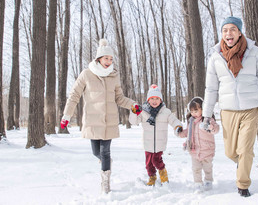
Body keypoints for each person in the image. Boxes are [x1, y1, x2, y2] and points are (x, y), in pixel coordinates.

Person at [201, 16, 258, 197]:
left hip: (251, 108)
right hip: (227, 110)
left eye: (233, 29)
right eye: (225, 30)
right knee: (230, 152)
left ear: (240, 32)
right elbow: (211, 88)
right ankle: (243, 162)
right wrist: (206, 115)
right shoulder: (215, 57)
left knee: (245, 149)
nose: (229, 33)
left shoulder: (255, 52)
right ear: (222, 33)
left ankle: (243, 185)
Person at [60, 38, 141, 194]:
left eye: (111, 59)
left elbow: (119, 98)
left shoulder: (114, 76)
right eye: (106, 58)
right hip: (92, 120)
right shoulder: (86, 74)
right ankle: (106, 163)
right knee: (95, 152)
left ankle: (105, 182)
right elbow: (74, 95)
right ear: (98, 59)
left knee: (105, 152)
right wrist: (66, 115)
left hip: (108, 121)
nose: (109, 61)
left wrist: (132, 105)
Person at [129, 84, 183, 186]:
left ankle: (163, 175)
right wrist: (133, 112)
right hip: (148, 143)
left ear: (161, 100)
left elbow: (174, 120)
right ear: (148, 100)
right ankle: (152, 177)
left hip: (160, 143)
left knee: (156, 160)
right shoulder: (143, 112)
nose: (154, 100)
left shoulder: (165, 112)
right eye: (152, 98)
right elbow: (133, 122)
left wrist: (177, 126)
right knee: (148, 164)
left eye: (157, 98)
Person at [175, 97, 219, 192]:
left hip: (207, 149)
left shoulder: (207, 120)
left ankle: (208, 181)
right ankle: (198, 183)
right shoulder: (191, 121)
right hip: (194, 150)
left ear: (202, 109)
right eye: (191, 111)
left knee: (207, 168)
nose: (193, 113)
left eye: (196, 110)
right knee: (196, 168)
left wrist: (210, 127)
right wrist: (180, 133)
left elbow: (216, 129)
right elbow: (187, 132)